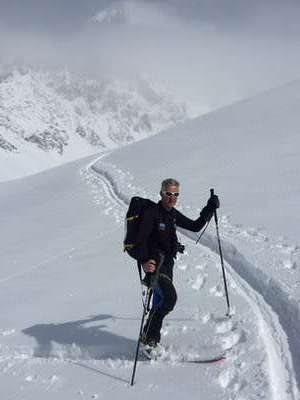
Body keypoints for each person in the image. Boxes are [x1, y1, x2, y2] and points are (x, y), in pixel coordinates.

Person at [137, 178, 220, 351]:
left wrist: (209, 208)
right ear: (161, 193)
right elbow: (140, 241)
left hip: (168, 265)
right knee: (169, 298)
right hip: (154, 266)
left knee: (160, 302)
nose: (172, 198)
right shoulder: (152, 213)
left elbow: (195, 226)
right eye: (168, 194)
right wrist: (144, 261)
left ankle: (150, 339)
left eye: (175, 194)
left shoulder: (172, 214)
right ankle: (148, 340)